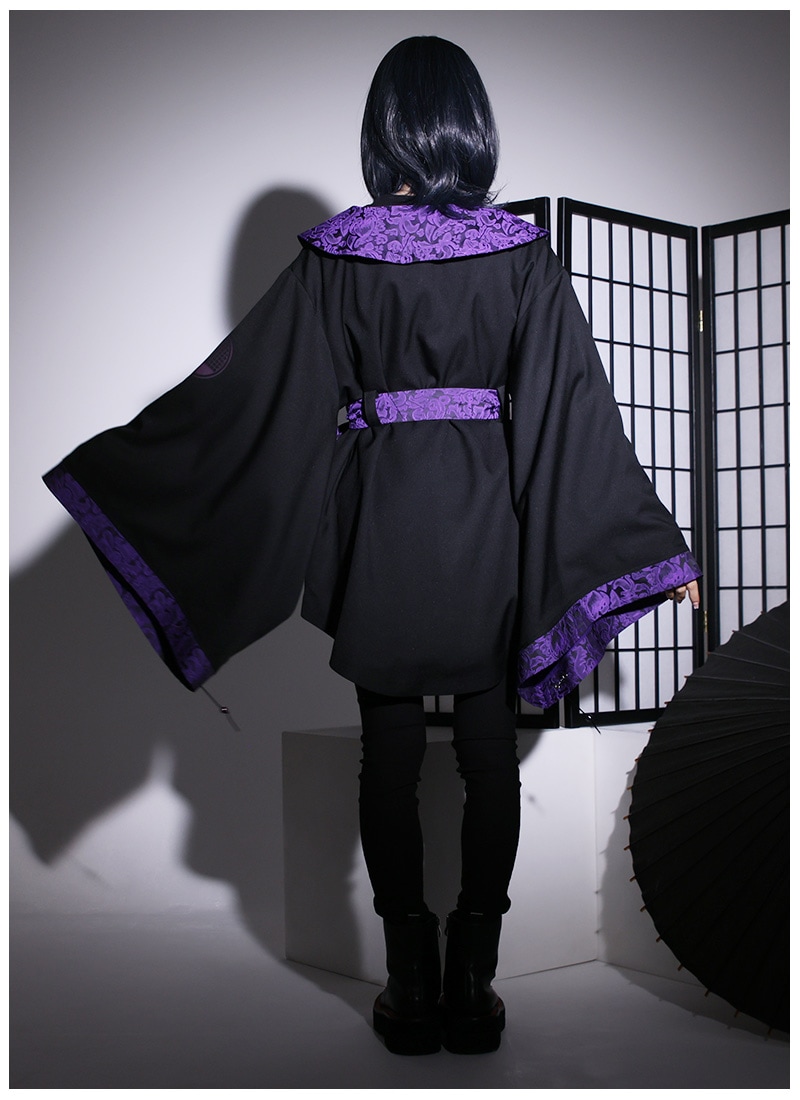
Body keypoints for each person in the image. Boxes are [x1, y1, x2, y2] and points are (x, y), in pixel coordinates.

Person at [44, 36, 701, 1057]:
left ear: (383, 128)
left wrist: (126, 476)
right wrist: (654, 547)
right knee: (488, 757)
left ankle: (409, 983)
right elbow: (575, 409)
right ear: (469, 125)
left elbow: (250, 397)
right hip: (488, 524)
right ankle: (472, 987)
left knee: (386, 757)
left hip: (382, 526)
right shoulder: (522, 255)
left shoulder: (335, 256)